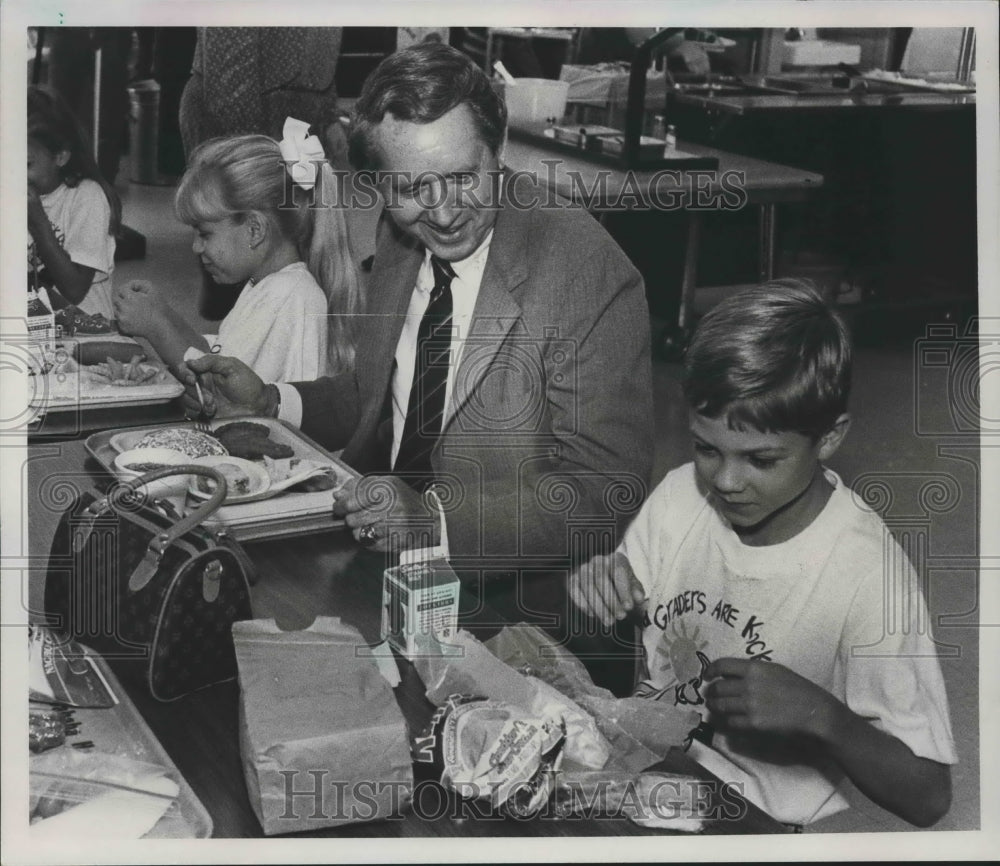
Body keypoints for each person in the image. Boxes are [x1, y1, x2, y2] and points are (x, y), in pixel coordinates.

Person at [184, 42, 653, 570]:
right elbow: (377, 396)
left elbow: (604, 490)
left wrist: (434, 522)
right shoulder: (397, 237)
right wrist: (272, 402)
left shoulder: (586, 269)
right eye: (409, 187)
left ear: (498, 150)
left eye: (462, 177)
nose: (444, 213)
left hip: (500, 590)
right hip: (368, 540)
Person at [569, 281, 957, 828]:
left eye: (761, 460)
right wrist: (603, 588)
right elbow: (622, 637)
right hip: (650, 773)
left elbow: (929, 796)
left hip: (757, 824)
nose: (726, 481)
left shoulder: (870, 573)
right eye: (707, 449)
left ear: (829, 438)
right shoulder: (682, 493)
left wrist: (823, 717)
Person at [114, 126, 361, 383]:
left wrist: (156, 328)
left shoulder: (289, 296)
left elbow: (221, 396)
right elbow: (217, 356)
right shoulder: (265, 285)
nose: (196, 247)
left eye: (205, 233)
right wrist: (165, 314)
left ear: (255, 230)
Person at [27, 84, 121, 319]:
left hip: (87, 329)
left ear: (61, 156)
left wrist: (38, 223)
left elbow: (75, 290)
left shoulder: (87, 198)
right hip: (34, 325)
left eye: (27, 164)